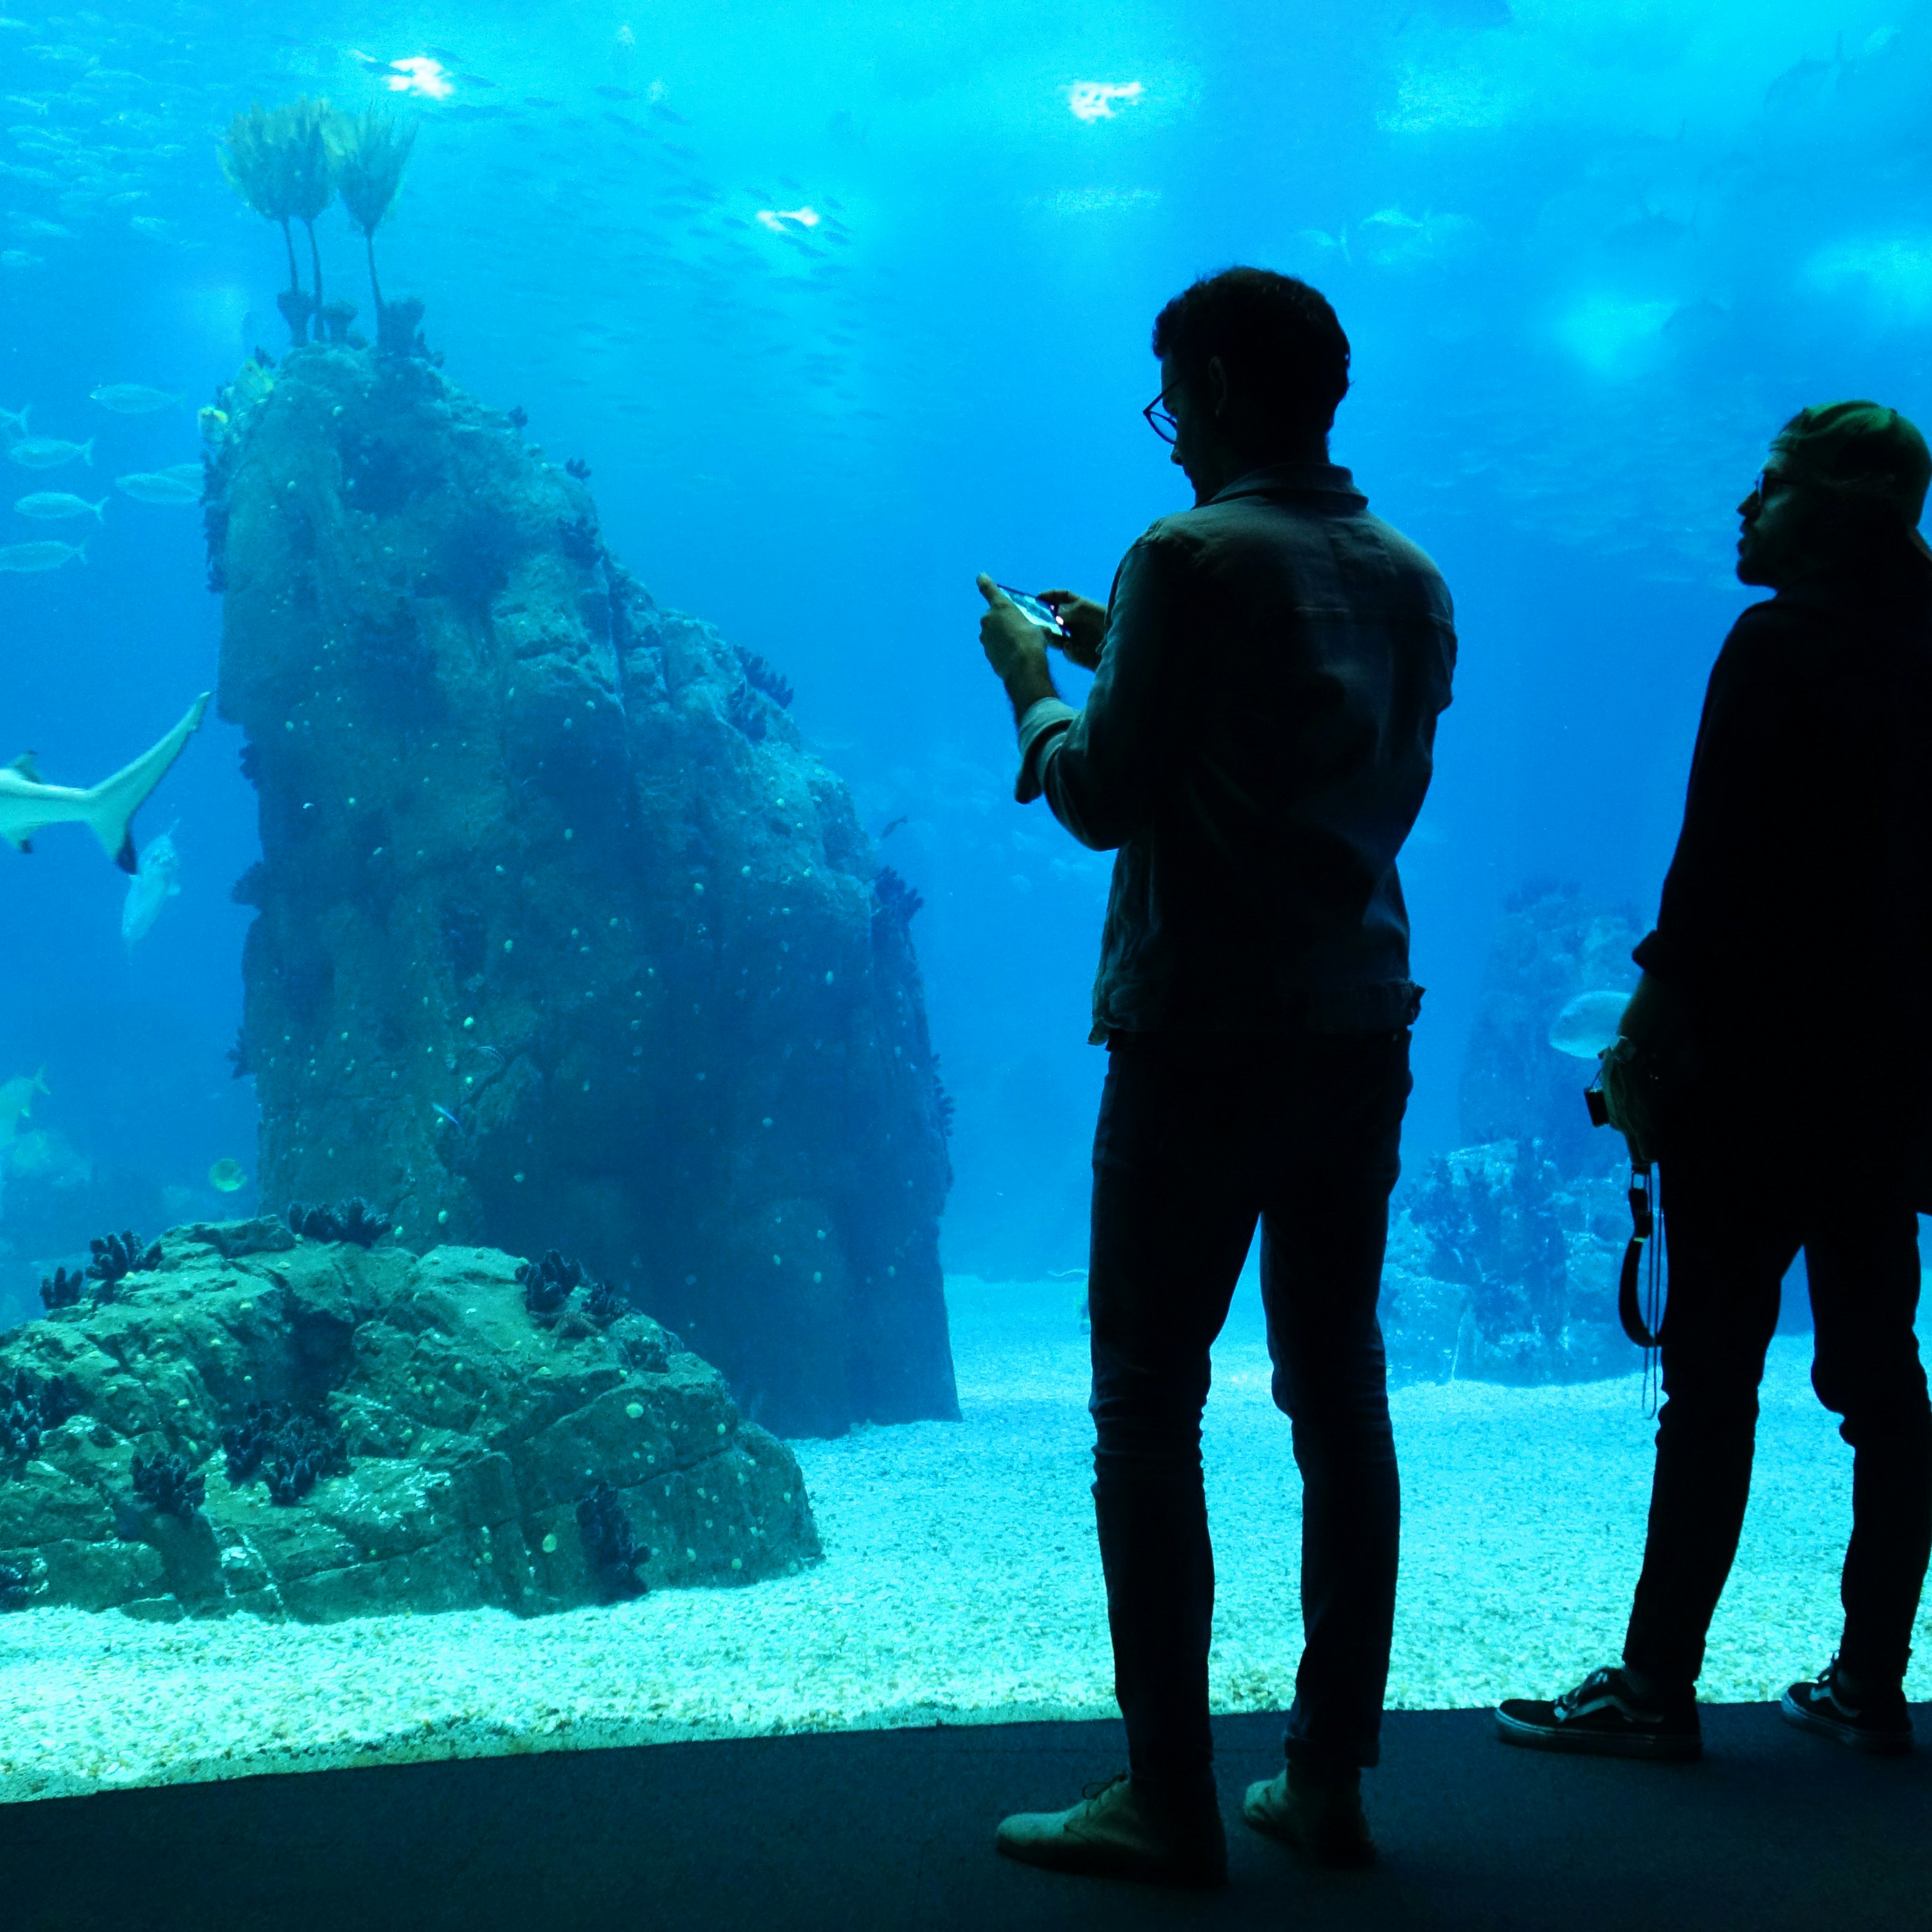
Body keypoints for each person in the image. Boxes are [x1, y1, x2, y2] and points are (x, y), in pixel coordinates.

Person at [973, 267, 1457, 1889]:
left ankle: (1168, 1796)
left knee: (1145, 1407)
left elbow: (1107, 795)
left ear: (1226, 386)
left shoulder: (1184, 554)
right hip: (1357, 1026)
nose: (1167, 424)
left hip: (1199, 1041)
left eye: (1173, 389)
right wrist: (1138, 661)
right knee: (1341, 1394)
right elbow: (1301, 750)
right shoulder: (1411, 578)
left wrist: (1038, 685)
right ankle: (1329, 1780)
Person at [1496, 402, 1932, 1763]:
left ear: (1842, 507)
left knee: (1710, 1383)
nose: (1741, 510)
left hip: (1751, 1077)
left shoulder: (1774, 642)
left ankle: (1655, 1686)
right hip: (1890, 1081)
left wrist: (1641, 1045)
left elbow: (1716, 876)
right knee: (1881, 1378)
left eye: (1770, 487)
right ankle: (1871, 1681)